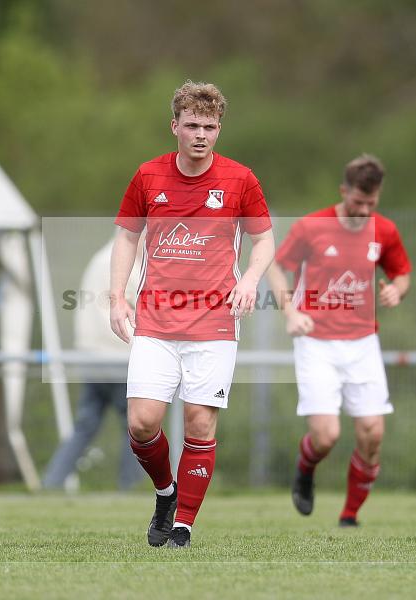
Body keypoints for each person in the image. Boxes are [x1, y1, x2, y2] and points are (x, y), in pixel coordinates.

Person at [110, 80, 274, 549]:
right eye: (193, 125)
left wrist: (249, 280)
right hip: (157, 321)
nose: (201, 134)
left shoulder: (240, 179)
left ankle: (182, 524)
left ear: (219, 129)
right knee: (142, 423)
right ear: (175, 127)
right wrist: (116, 296)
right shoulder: (148, 176)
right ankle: (165, 494)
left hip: (215, 323)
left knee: (200, 423)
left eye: (211, 126)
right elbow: (126, 235)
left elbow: (263, 238)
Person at [266, 154, 411, 527]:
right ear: (343, 191)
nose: (363, 210)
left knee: (372, 433)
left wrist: (397, 290)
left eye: (371, 203)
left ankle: (350, 515)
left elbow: (402, 273)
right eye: (357, 201)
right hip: (316, 341)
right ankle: (305, 468)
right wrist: (291, 313)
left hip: (363, 343)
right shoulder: (312, 227)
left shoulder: (385, 231)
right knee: (327, 436)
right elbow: (276, 269)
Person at [43, 236, 144, 491]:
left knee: (85, 426)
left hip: (92, 356)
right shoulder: (124, 263)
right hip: (119, 356)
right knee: (138, 427)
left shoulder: (100, 257)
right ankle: (131, 487)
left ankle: (52, 483)